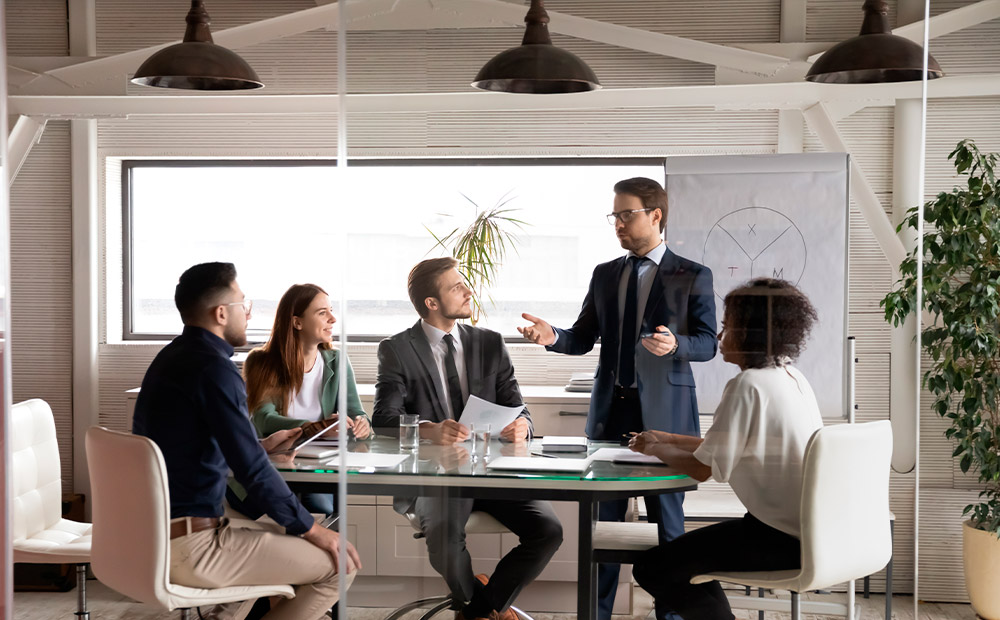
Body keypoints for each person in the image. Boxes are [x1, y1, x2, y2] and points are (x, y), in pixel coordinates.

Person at [518, 177, 717, 620]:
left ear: (656, 215)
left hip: (666, 419)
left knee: (669, 529)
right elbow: (583, 338)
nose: (618, 224)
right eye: (615, 215)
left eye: (627, 214)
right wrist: (552, 338)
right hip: (610, 415)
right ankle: (597, 614)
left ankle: (670, 616)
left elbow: (708, 343)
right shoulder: (605, 274)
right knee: (600, 529)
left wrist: (677, 345)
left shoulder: (693, 274)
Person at [133, 262, 360, 620]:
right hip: (196, 545)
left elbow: (199, 449)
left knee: (279, 535)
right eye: (243, 303)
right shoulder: (214, 370)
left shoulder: (170, 359)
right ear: (221, 313)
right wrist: (313, 529)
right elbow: (252, 470)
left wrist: (265, 446)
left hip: (162, 532)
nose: (249, 312)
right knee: (339, 562)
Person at [373, 257, 563, 620]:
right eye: (457, 287)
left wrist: (522, 426)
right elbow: (383, 421)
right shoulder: (396, 349)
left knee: (548, 531)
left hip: (494, 472)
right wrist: (429, 429)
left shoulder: (489, 343)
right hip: (436, 478)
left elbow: (517, 406)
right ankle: (484, 608)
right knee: (445, 540)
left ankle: (479, 610)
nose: (468, 291)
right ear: (432, 303)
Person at [628, 278, 822, 620]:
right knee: (687, 563)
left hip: (777, 538)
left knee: (653, 567)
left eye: (726, 327)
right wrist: (670, 439)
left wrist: (654, 449)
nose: (720, 337)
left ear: (752, 332)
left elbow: (703, 469)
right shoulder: (791, 377)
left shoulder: (747, 385)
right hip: (808, 531)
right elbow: (734, 446)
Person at [241, 283, 372, 515]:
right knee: (313, 507)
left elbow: (355, 412)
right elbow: (263, 419)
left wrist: (362, 423)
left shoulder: (337, 360)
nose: (333, 318)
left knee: (321, 507)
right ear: (297, 322)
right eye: (322, 313)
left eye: (331, 310)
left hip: (321, 462)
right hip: (277, 462)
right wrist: (318, 427)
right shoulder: (261, 362)